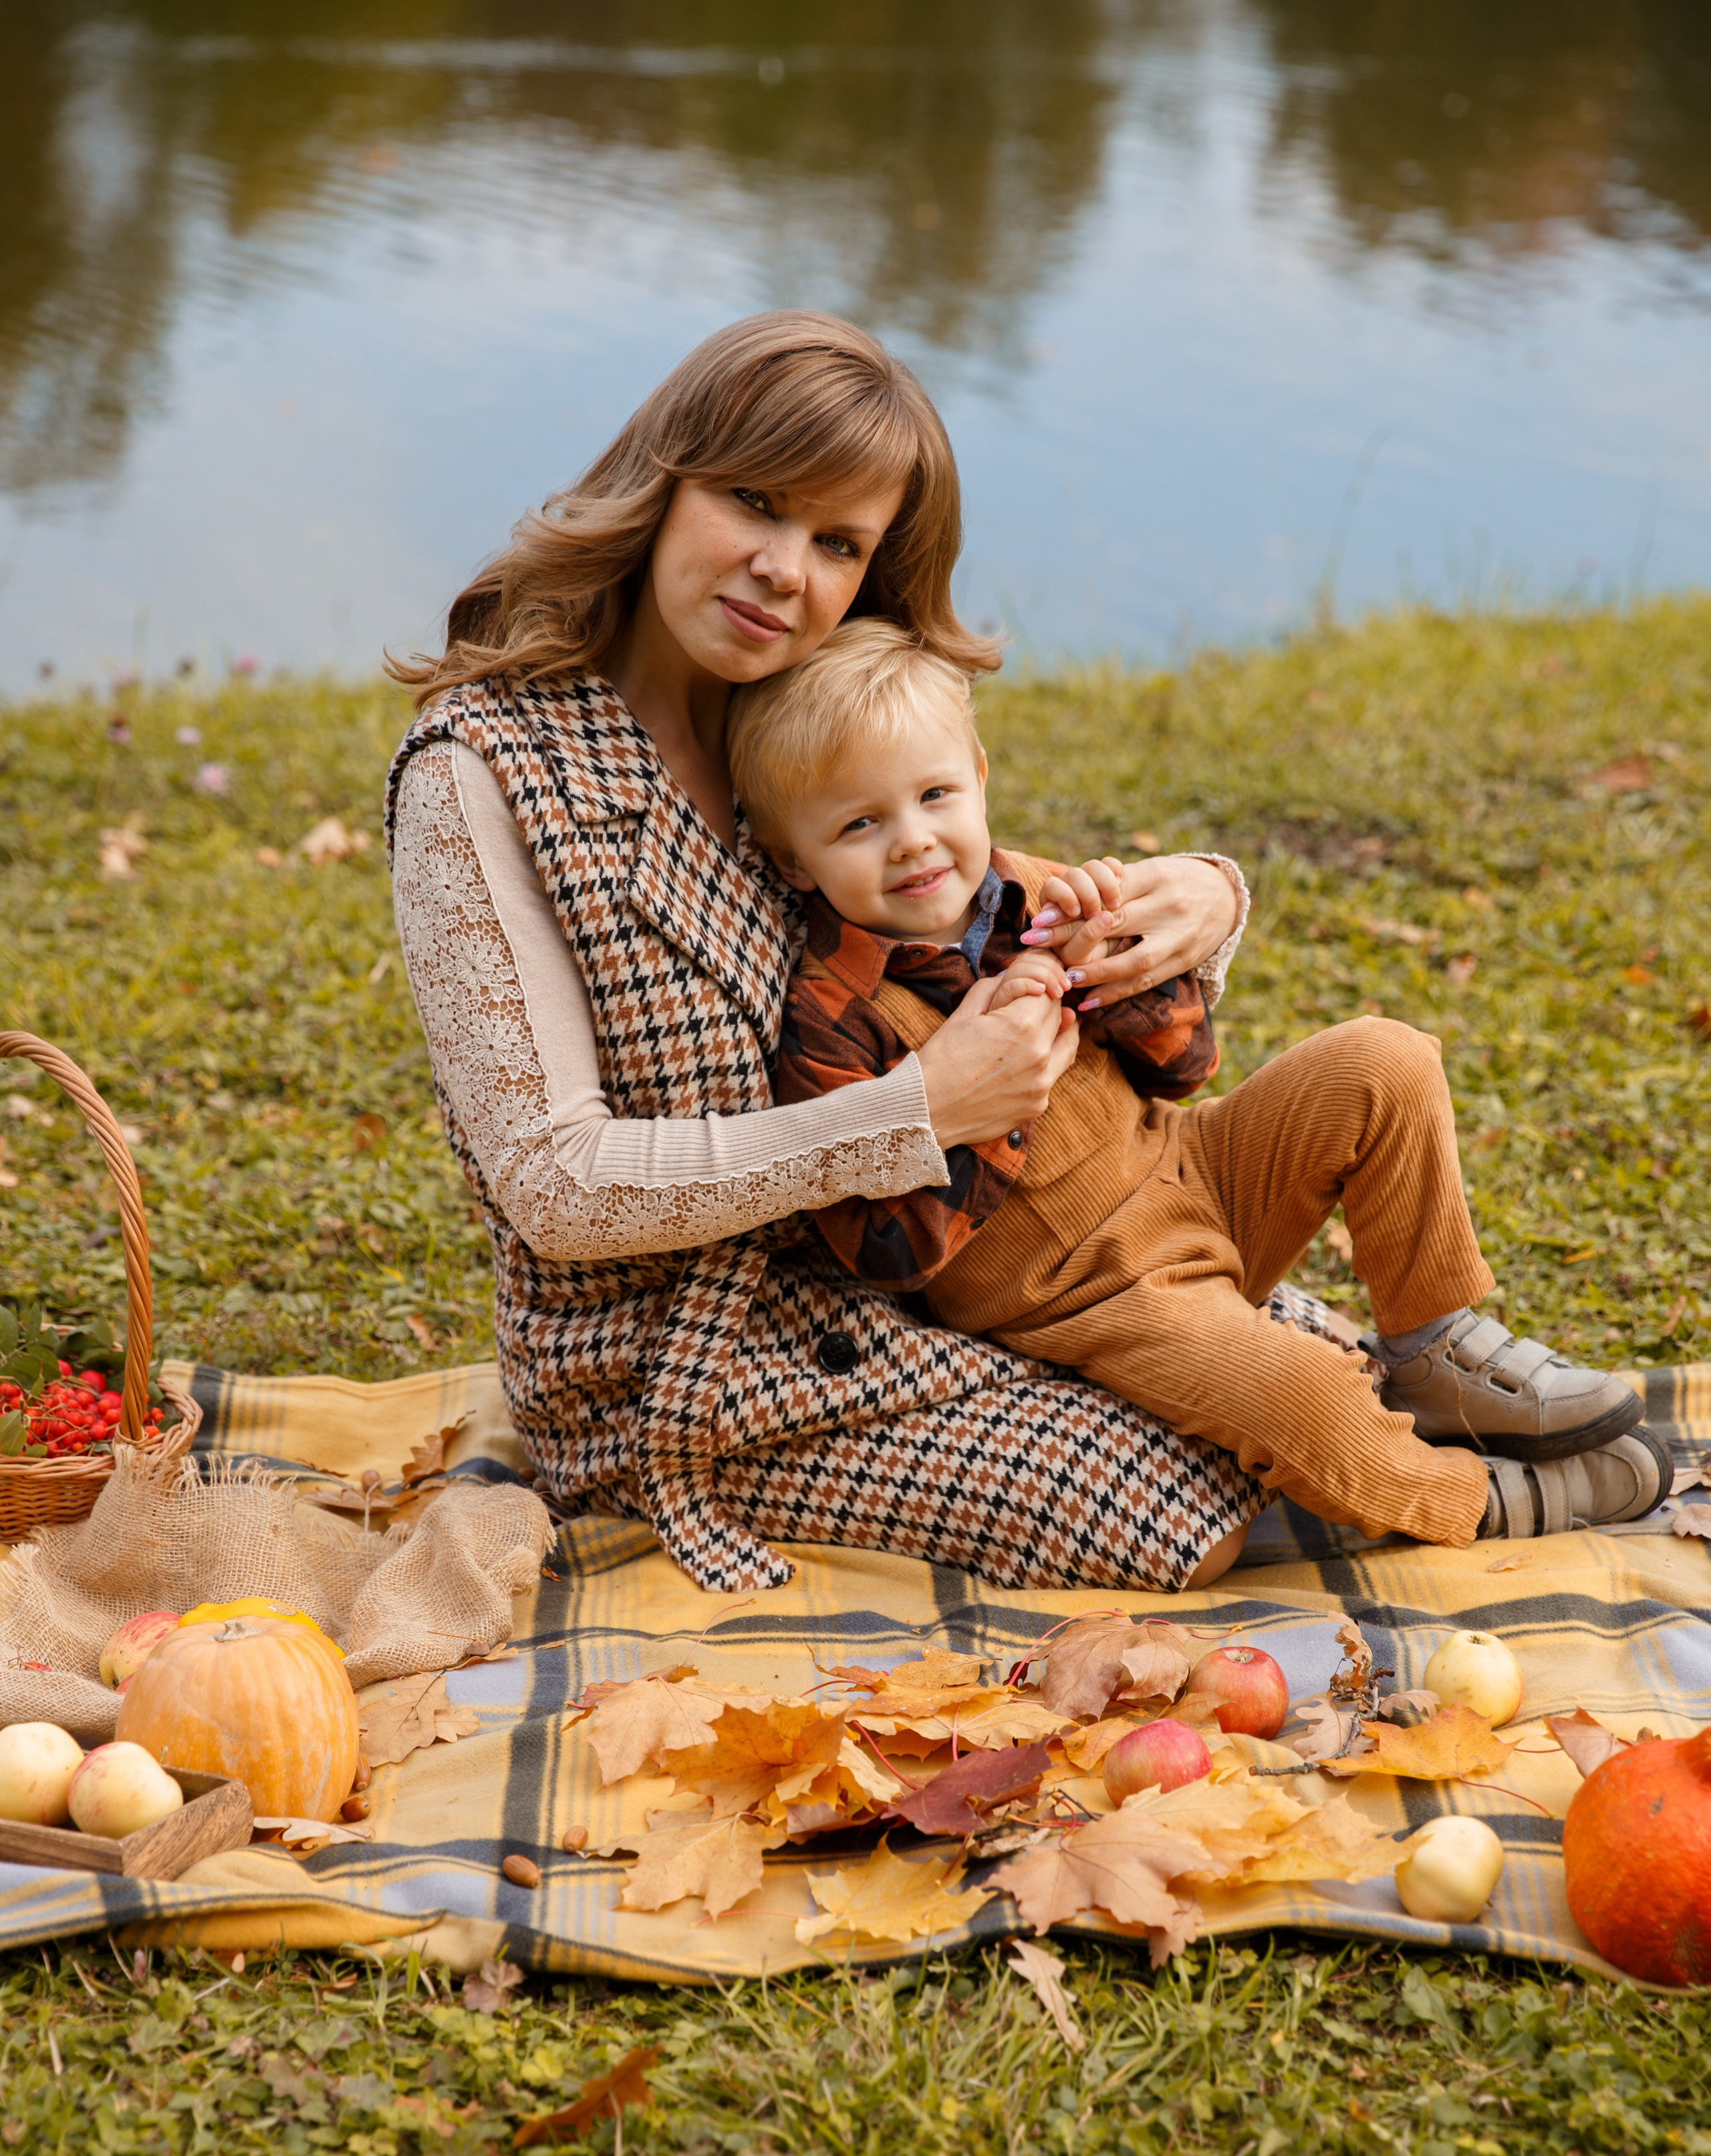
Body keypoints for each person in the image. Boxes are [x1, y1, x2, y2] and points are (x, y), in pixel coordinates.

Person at [384, 310, 1263, 1596]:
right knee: (1175, 1503)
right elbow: (556, 1187)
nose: (784, 570)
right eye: (755, 502)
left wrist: (1200, 898)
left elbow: (967, 905)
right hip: (679, 1372)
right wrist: (915, 1112)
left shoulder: (782, 715)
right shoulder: (480, 776)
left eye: (837, 542)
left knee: (1313, 1385)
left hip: (927, 1273)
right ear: (662, 479)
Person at [735, 618, 1668, 1545]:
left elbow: (1186, 1070)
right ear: (791, 856)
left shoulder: (1039, 892)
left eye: (934, 795)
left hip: (1198, 1171)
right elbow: (893, 1257)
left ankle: (1432, 1343)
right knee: (1306, 1393)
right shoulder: (828, 1014)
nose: (913, 842)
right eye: (860, 823)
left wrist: (1112, 970)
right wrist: (986, 1096)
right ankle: (1468, 1496)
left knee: (1382, 1058)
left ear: (978, 775)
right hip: (1092, 1292)